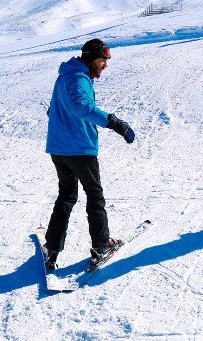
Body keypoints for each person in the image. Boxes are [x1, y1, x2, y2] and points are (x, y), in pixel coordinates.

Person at [44, 38, 135, 270]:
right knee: (94, 195)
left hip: (59, 149)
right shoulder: (79, 79)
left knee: (66, 196)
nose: (105, 64)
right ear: (92, 58)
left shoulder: (65, 75)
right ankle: (101, 246)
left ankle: (51, 248)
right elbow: (82, 107)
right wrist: (114, 123)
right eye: (103, 60)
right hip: (79, 150)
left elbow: (54, 109)